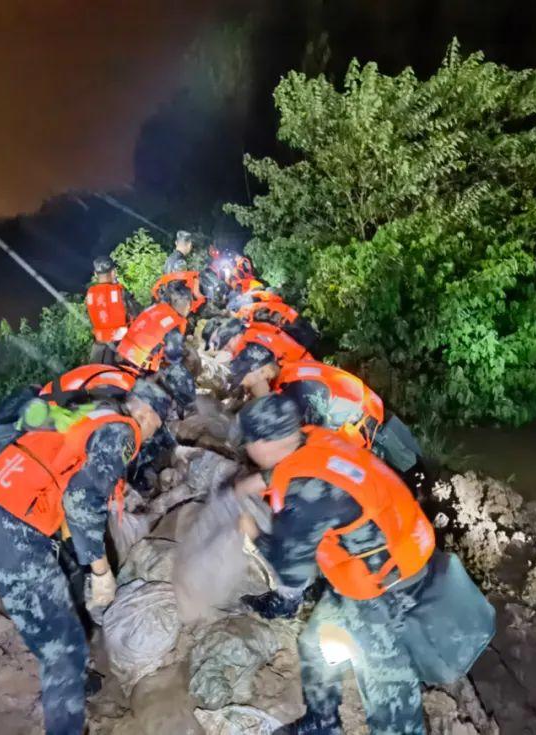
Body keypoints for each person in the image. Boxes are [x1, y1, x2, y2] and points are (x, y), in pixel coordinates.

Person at [0, 380, 173, 735]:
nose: (157, 430)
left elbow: (63, 482)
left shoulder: (93, 411)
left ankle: (76, 679)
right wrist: (101, 572)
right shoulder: (122, 431)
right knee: (62, 649)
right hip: (15, 529)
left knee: (58, 614)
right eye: (159, 421)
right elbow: (81, 502)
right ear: (145, 412)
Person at [234, 395, 436, 735]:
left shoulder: (305, 497)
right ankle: (322, 723)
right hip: (390, 547)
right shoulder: (315, 437)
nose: (247, 450)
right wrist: (262, 481)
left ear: (265, 443)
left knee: (384, 681)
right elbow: (301, 465)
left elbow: (290, 569)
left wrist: (252, 532)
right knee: (315, 642)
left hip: (387, 582)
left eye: (249, 442)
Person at [228, 345, 384, 448]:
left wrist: (264, 398)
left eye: (248, 386)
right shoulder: (290, 371)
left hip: (372, 434)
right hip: (367, 419)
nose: (248, 392)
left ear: (262, 372)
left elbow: (303, 439)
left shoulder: (297, 388)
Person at [116, 283, 197, 414]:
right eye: (188, 303)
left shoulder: (157, 308)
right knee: (179, 374)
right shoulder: (173, 325)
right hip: (140, 367)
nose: (189, 308)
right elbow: (174, 359)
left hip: (123, 355)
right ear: (180, 302)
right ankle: (185, 409)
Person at [86, 256, 140, 365]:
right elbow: (137, 313)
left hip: (98, 349)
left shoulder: (90, 294)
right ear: (114, 272)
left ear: (96, 274)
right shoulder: (120, 291)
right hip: (121, 348)